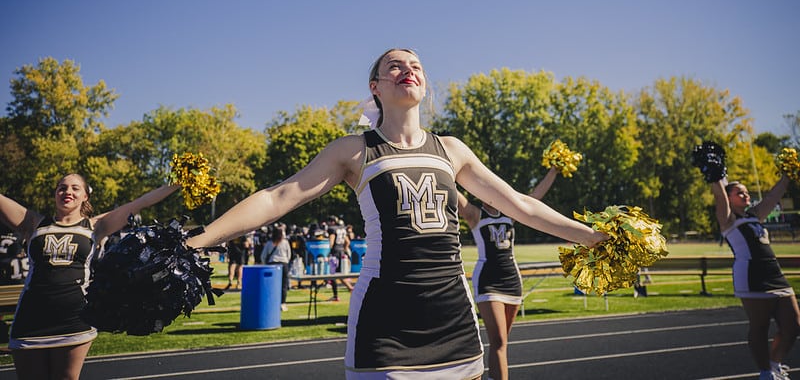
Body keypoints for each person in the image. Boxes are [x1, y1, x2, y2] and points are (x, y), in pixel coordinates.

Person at [186, 48, 606, 379]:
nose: (408, 70)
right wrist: (197, 240)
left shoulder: (452, 150)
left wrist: (592, 236)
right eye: (395, 66)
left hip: (454, 321)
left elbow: (521, 204)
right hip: (384, 323)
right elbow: (278, 198)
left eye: (416, 65)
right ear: (375, 87)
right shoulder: (354, 149)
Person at [0, 174, 177, 380]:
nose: (68, 192)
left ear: (85, 196)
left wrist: (178, 182)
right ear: (55, 193)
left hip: (74, 320)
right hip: (30, 319)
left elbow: (141, 202)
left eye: (75, 188)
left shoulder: (96, 226)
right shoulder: (33, 222)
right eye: (62, 188)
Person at [458, 165, 559, 380]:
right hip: (488, 281)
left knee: (503, 343)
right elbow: (454, 195)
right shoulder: (475, 215)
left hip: (512, 280)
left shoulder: (511, 214)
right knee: (498, 341)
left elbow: (535, 198)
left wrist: (553, 171)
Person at [712, 174, 799, 380]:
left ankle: (775, 364)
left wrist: (788, 174)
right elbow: (719, 196)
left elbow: (772, 197)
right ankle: (766, 372)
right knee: (760, 327)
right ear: (729, 197)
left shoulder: (755, 215)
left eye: (746, 191)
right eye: (739, 192)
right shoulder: (729, 219)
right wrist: (715, 177)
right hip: (751, 276)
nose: (745, 194)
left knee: (793, 326)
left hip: (775, 275)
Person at [261, 225, 292, 311]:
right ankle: (283, 303)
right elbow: (289, 255)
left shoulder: (269, 243)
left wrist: (265, 264)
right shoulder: (285, 242)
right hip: (283, 264)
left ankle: (272, 302)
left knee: (271, 285)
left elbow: (263, 256)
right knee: (284, 285)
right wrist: (286, 262)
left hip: (272, 264)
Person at [328, 217, 353, 300]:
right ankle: (350, 288)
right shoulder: (342, 229)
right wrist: (344, 249)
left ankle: (336, 296)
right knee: (339, 274)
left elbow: (331, 243)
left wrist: (328, 253)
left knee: (333, 274)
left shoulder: (332, 229)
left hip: (335, 253)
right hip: (341, 252)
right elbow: (348, 242)